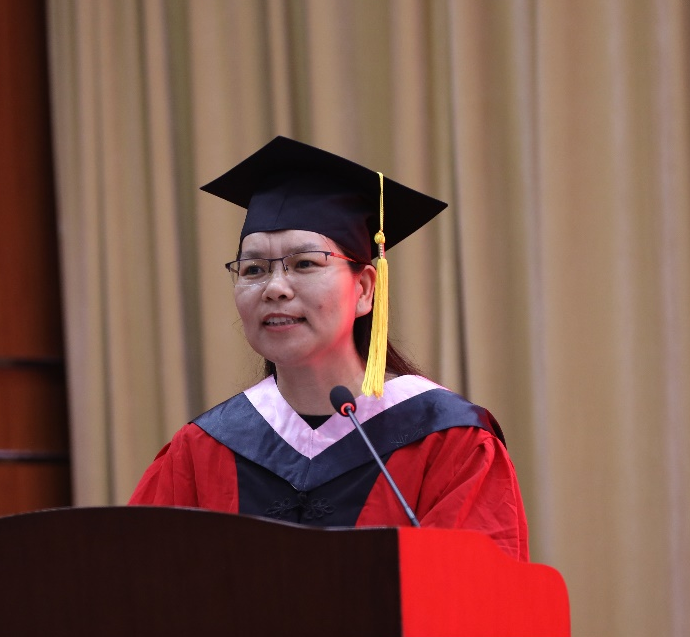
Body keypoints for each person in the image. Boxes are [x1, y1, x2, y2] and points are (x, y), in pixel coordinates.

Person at [129, 136, 528, 567]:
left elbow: (479, 590)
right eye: (254, 269)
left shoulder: (447, 441)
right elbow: (136, 583)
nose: (275, 288)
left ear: (365, 289)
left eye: (304, 263)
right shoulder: (202, 450)